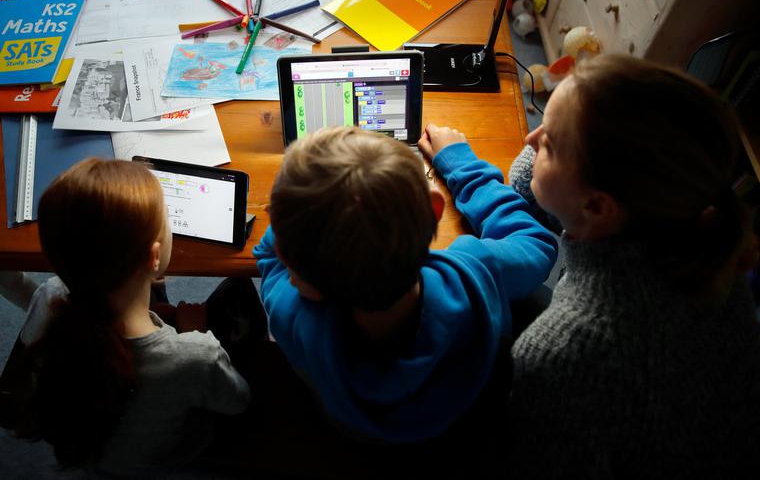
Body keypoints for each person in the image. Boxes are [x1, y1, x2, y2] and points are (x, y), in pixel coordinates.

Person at [506, 54, 760, 478]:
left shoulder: (562, 352)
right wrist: (557, 142)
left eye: (548, 143)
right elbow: (530, 183)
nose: (531, 138)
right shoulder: (700, 236)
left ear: (597, 206)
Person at [254, 125, 557, 443]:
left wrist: (300, 220)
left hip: (357, 439)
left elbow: (268, 256)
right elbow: (535, 243)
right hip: (466, 427)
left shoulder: (294, 317)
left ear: (303, 282)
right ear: (434, 210)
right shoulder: (473, 274)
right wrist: (461, 163)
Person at [13, 158, 250, 476]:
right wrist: (198, 334)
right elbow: (238, 401)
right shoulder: (196, 356)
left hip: (86, 455)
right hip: (167, 462)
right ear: (154, 257)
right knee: (240, 292)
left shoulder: (49, 299)